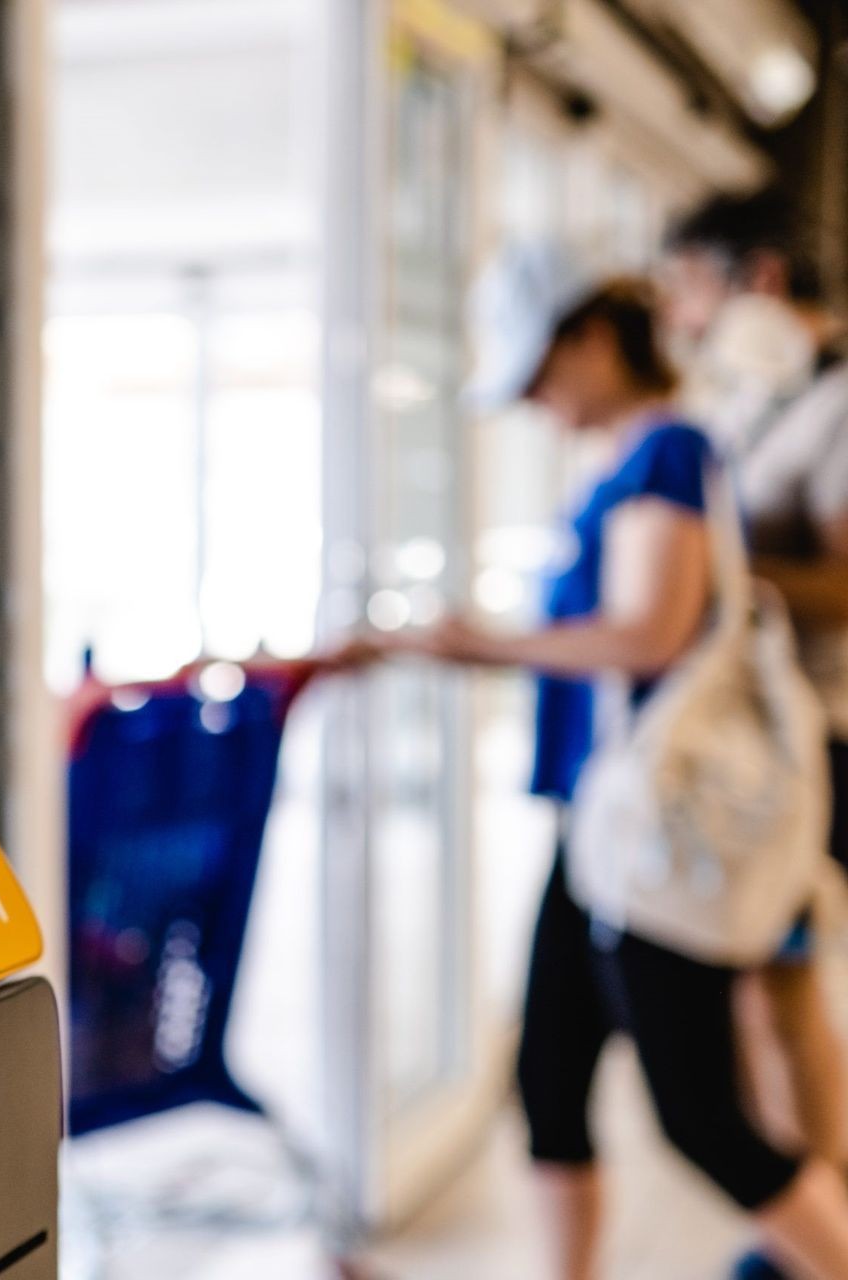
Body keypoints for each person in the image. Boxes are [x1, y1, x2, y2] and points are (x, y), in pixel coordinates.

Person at [397, 247, 848, 1280]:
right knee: (550, 1082)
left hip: (647, 832)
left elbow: (650, 632)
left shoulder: (668, 452)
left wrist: (480, 643)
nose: (540, 404)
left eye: (543, 375)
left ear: (595, 340)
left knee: (700, 1115)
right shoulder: (626, 461)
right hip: (595, 823)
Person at [661, 192, 848, 1280]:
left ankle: (818, 1223)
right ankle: (810, 1213)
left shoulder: (835, 404)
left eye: (689, 285)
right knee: (773, 985)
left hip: (818, 732)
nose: (681, 315)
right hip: (765, 737)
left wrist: (713, 573)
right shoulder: (762, 396)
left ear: (758, 279)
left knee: (778, 981)